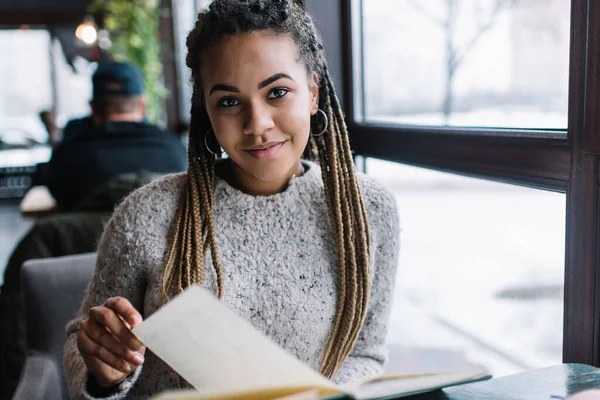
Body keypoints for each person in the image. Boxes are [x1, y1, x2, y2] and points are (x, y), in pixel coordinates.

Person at [64, 1, 400, 399]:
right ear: (207, 111)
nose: (257, 124)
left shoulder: (368, 210)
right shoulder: (147, 216)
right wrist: (104, 371)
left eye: (277, 92)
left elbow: (366, 353)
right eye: (228, 101)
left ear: (312, 93)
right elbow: (82, 344)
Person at [42, 61, 187, 211]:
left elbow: (58, 199)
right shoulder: (177, 152)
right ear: (142, 105)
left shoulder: (67, 158)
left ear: (92, 107)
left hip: (91, 235)